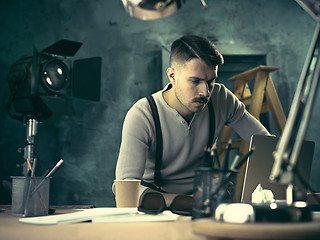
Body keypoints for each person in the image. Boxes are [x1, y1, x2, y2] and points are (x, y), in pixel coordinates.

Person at [114, 35, 270, 207]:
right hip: (157, 201)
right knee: (142, 196)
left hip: (202, 198)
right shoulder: (143, 113)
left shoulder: (221, 98)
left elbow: (267, 144)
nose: (205, 92)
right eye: (195, 81)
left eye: (211, 81)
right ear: (172, 75)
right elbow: (125, 189)